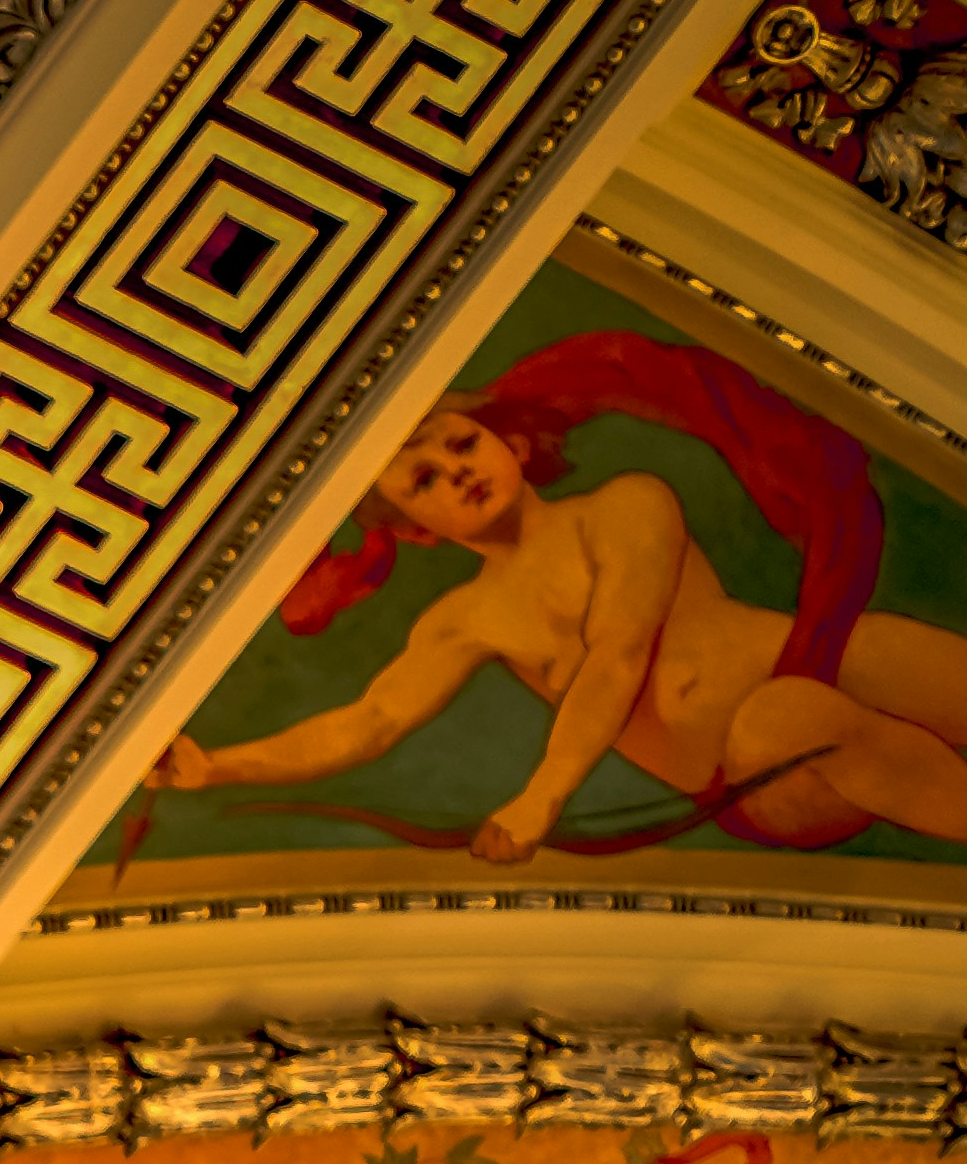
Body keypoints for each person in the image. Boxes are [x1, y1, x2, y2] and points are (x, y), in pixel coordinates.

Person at [151, 344, 967, 859]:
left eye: (462, 443)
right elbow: (368, 723)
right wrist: (220, 763)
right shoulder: (463, 621)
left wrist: (544, 795)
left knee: (889, 655)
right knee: (787, 717)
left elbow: (620, 649)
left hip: (824, 653)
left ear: (509, 443)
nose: (458, 470)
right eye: (424, 479)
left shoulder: (628, 503)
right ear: (412, 527)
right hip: (757, 764)